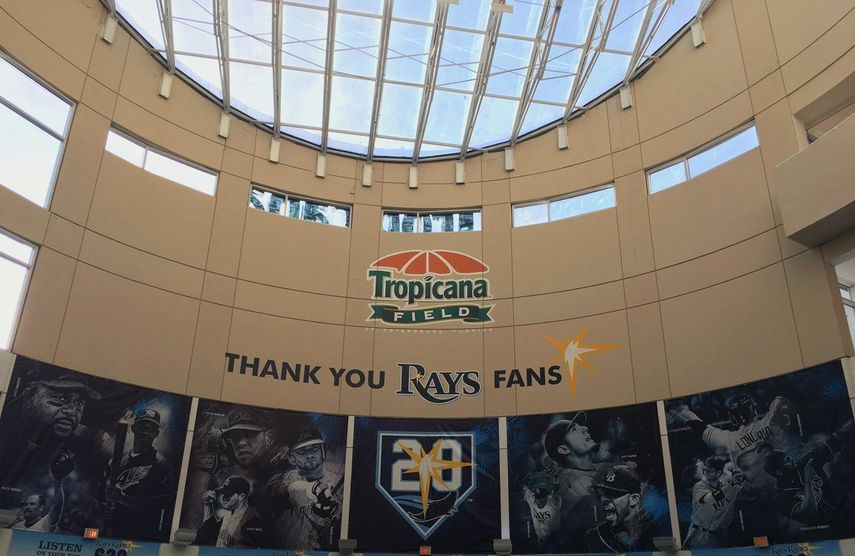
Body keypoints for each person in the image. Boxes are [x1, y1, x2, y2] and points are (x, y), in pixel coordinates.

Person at [0, 367, 100, 512]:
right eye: (60, 398)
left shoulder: (80, 454)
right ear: (29, 397)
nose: (72, 411)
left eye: (79, 404)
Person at [98, 409, 176, 539]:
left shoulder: (162, 466)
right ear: (133, 428)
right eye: (142, 426)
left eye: (151, 428)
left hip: (140, 537)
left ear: (156, 433)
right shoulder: (115, 461)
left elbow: (157, 508)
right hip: (110, 533)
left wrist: (121, 498)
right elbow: (100, 494)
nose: (146, 431)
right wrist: (103, 507)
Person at [542, 412, 610, 551]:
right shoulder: (569, 488)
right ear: (563, 449)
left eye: (581, 426)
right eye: (574, 429)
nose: (584, 428)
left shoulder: (604, 467)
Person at [267, 427, 343, 550]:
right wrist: (315, 490)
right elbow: (288, 490)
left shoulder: (337, 487)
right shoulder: (280, 480)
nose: (309, 455)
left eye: (314, 449)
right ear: (292, 458)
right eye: (301, 451)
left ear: (323, 452)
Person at [585, 463, 653, 552]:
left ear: (634, 499)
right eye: (603, 493)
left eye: (612, 493)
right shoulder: (593, 539)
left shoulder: (654, 532)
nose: (604, 499)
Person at [683, 456, 744, 548]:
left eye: (710, 470)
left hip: (719, 536)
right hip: (700, 534)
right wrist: (730, 484)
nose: (706, 472)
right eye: (705, 469)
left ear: (719, 472)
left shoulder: (726, 486)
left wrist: (739, 478)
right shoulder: (699, 486)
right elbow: (710, 499)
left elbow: (740, 494)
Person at [195, 475, 263, 547]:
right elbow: (207, 532)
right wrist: (207, 505)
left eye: (228, 494)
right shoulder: (228, 515)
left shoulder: (252, 521)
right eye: (223, 493)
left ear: (241, 497)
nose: (224, 497)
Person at [521, 470, 562, 549]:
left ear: (546, 497)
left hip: (554, 539)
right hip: (541, 541)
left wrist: (555, 477)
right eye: (537, 498)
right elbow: (524, 489)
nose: (537, 501)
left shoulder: (553, 501)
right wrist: (523, 479)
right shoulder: (532, 500)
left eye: (540, 499)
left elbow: (556, 489)